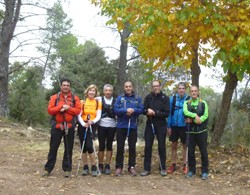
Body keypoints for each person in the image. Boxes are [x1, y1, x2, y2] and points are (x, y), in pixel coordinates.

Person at [43, 78, 81, 178]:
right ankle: (48, 169)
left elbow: (77, 111)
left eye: (68, 85)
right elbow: (50, 110)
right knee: (53, 148)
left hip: (69, 126)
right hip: (57, 126)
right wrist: (61, 107)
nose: (66, 87)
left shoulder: (74, 98)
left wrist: (68, 108)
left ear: (70, 87)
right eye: (64, 85)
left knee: (69, 148)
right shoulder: (54, 97)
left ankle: (67, 169)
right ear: (60, 86)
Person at [114, 80, 143, 176]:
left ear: (132, 87)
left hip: (132, 126)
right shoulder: (120, 98)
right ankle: (119, 167)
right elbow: (116, 110)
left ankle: (131, 167)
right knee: (120, 147)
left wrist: (133, 110)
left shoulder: (137, 98)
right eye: (126, 86)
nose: (128, 88)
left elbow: (141, 109)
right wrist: (126, 110)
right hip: (121, 126)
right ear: (124, 88)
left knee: (132, 147)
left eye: (130, 86)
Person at [140, 80, 170, 177]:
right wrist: (147, 110)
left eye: (157, 86)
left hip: (161, 125)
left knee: (161, 146)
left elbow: (166, 113)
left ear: (160, 86)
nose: (155, 88)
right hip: (150, 124)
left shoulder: (165, 98)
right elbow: (143, 110)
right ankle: (146, 168)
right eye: (153, 86)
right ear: (152, 87)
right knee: (148, 146)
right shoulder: (148, 97)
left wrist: (155, 113)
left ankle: (163, 167)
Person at [183, 85, 209, 180]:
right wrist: (195, 116)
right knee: (190, 152)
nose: (193, 92)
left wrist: (197, 120)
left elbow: (206, 115)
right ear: (190, 92)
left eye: (195, 91)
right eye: (192, 91)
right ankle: (192, 170)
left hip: (201, 131)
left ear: (198, 92)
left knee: (203, 152)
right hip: (190, 132)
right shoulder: (187, 103)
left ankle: (205, 171)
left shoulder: (203, 103)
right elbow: (185, 112)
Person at [77, 84, 102, 177]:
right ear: (87, 92)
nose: (91, 92)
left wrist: (92, 121)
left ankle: (94, 166)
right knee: (83, 147)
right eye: (90, 90)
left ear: (95, 92)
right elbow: (79, 115)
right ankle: (85, 166)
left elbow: (98, 115)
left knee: (89, 146)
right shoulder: (82, 102)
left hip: (92, 124)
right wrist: (84, 124)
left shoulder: (97, 102)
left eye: (93, 91)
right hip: (83, 125)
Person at [167, 82, 190, 174]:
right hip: (174, 125)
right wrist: (168, 126)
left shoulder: (188, 99)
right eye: (179, 88)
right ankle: (173, 164)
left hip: (184, 126)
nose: (181, 90)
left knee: (185, 145)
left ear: (185, 90)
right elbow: (169, 113)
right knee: (174, 145)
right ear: (177, 89)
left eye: (183, 88)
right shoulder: (173, 99)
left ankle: (185, 164)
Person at [98, 84, 117, 175]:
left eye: (110, 90)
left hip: (112, 126)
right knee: (101, 146)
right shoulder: (99, 100)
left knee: (109, 146)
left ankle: (107, 165)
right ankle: (100, 164)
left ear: (112, 92)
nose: (108, 92)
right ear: (104, 91)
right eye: (106, 90)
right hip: (101, 125)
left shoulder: (116, 101)